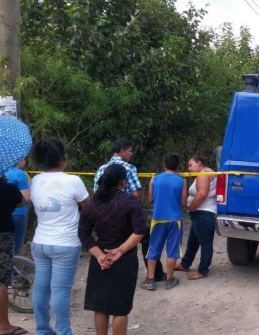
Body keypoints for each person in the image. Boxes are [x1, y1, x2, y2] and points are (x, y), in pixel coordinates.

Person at [30, 138, 90, 335]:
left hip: (40, 242)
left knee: (40, 288)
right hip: (66, 243)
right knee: (60, 291)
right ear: (63, 159)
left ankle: (43, 330)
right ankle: (64, 332)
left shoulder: (36, 180)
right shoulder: (73, 181)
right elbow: (89, 208)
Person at [79, 164, 147, 335]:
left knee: (100, 307)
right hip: (125, 260)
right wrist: (120, 251)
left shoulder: (92, 205)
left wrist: (100, 255)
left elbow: (83, 233)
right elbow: (140, 230)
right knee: (120, 310)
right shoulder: (131, 202)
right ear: (123, 182)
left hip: (100, 261)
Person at [94, 138, 166, 283]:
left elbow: (97, 193)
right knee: (145, 239)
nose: (131, 154)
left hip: (104, 213)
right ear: (121, 151)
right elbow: (136, 193)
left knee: (111, 243)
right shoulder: (129, 168)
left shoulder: (101, 168)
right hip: (125, 213)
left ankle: (109, 274)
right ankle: (155, 274)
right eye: (130, 151)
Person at [142, 153, 187, 290]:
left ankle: (150, 280)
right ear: (178, 166)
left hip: (157, 219)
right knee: (172, 250)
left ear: (164, 165)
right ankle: (169, 279)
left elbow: (150, 199)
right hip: (174, 219)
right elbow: (183, 202)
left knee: (153, 248)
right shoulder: (182, 181)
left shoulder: (154, 179)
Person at [174, 156, 217, 280]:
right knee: (193, 240)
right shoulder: (208, 172)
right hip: (201, 213)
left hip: (203, 213)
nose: (189, 168)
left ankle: (203, 270)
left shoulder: (204, 174)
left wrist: (191, 208)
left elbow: (202, 194)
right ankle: (185, 264)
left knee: (205, 243)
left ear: (199, 163)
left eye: (190, 165)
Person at [0, 176, 28, 335]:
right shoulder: (9, 188)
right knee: (1, 280)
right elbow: (21, 202)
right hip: (3, 234)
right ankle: (3, 326)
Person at [5, 159, 30, 255]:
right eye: (24, 159)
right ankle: (13, 268)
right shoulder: (19, 174)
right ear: (19, 160)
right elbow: (26, 197)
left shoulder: (3, 172)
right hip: (17, 214)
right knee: (15, 245)